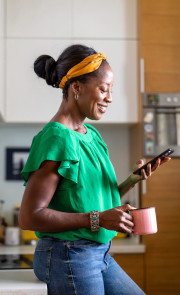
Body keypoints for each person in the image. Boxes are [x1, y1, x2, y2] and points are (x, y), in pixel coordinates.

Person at [19, 44, 170, 295]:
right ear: (77, 88)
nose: (110, 97)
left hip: (98, 253)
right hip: (68, 254)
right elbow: (29, 216)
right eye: (103, 89)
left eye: (111, 90)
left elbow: (89, 199)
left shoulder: (93, 136)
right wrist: (98, 219)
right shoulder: (56, 138)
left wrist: (132, 180)